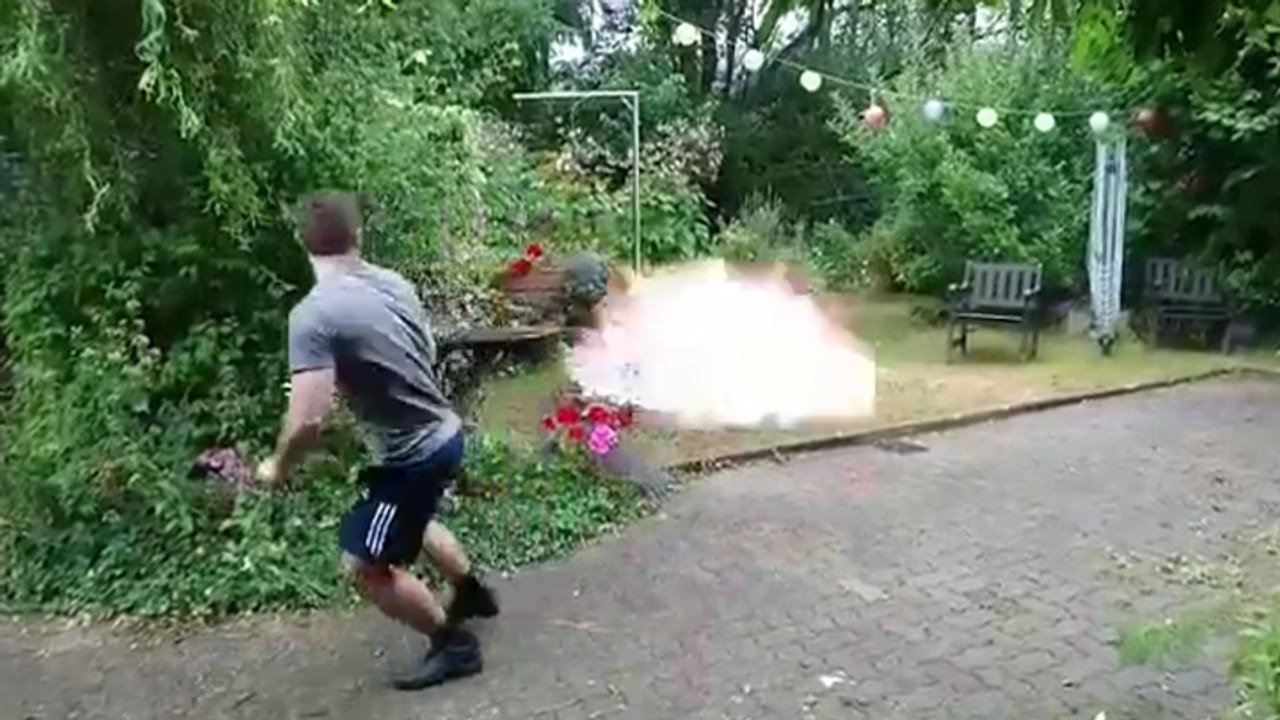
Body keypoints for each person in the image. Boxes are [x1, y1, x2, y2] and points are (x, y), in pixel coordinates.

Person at [255, 190, 498, 690]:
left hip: (413, 457)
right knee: (416, 519)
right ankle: (469, 590)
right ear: (358, 236)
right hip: (445, 432)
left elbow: (308, 422)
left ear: (303, 244)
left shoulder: (313, 315)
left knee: (364, 564)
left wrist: (278, 467)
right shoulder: (394, 283)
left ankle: (454, 647)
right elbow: (420, 350)